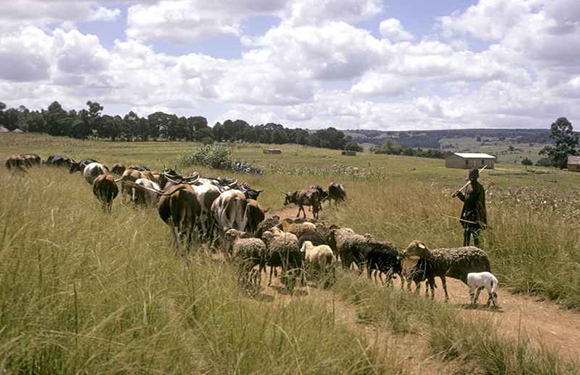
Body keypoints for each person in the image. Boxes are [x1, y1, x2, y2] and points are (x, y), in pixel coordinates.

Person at [452, 168, 487, 247]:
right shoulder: (468, 186)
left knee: (476, 236)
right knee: (466, 234)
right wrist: (459, 195)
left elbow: (480, 204)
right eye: (470, 174)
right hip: (467, 214)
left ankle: (477, 253)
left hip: (475, 215)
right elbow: (466, 200)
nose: (472, 176)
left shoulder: (479, 187)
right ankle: (465, 252)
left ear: (477, 176)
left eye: (474, 175)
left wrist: (478, 216)